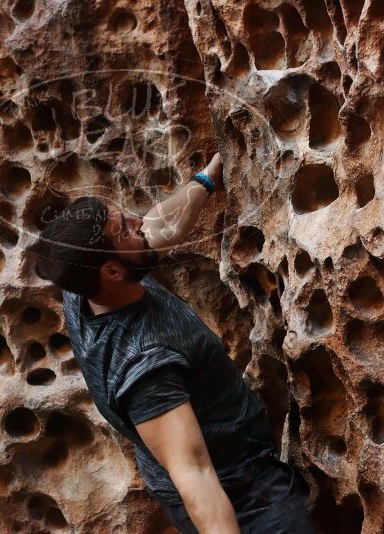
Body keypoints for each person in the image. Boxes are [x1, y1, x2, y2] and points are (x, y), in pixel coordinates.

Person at [32, 153, 315, 533]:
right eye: (126, 229)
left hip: (237, 467)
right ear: (112, 271)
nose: (138, 221)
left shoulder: (86, 288)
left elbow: (157, 227)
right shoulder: (145, 366)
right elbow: (194, 472)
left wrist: (206, 179)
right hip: (242, 496)